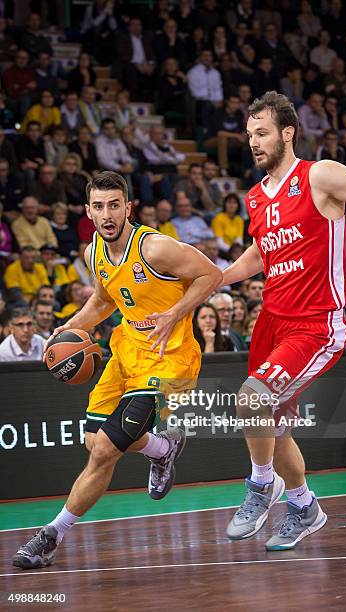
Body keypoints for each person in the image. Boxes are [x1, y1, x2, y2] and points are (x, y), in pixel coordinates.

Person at [221, 90, 346, 550]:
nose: (254, 143)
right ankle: (304, 508)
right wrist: (216, 278)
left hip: (315, 324)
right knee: (272, 425)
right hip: (271, 322)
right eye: (248, 135)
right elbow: (259, 255)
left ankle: (263, 485)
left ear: (287, 133)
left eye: (261, 133)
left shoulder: (319, 174)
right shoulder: (256, 197)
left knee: (251, 399)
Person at [13, 170, 221, 569]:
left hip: (169, 356)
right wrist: (73, 324)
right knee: (94, 440)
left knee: (107, 448)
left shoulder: (156, 248)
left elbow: (211, 274)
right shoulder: (93, 252)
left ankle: (51, 535)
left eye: (114, 205)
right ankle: (163, 448)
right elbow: (106, 300)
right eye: (98, 206)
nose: (107, 214)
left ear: (128, 208)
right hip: (125, 352)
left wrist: (175, 312)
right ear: (87, 210)